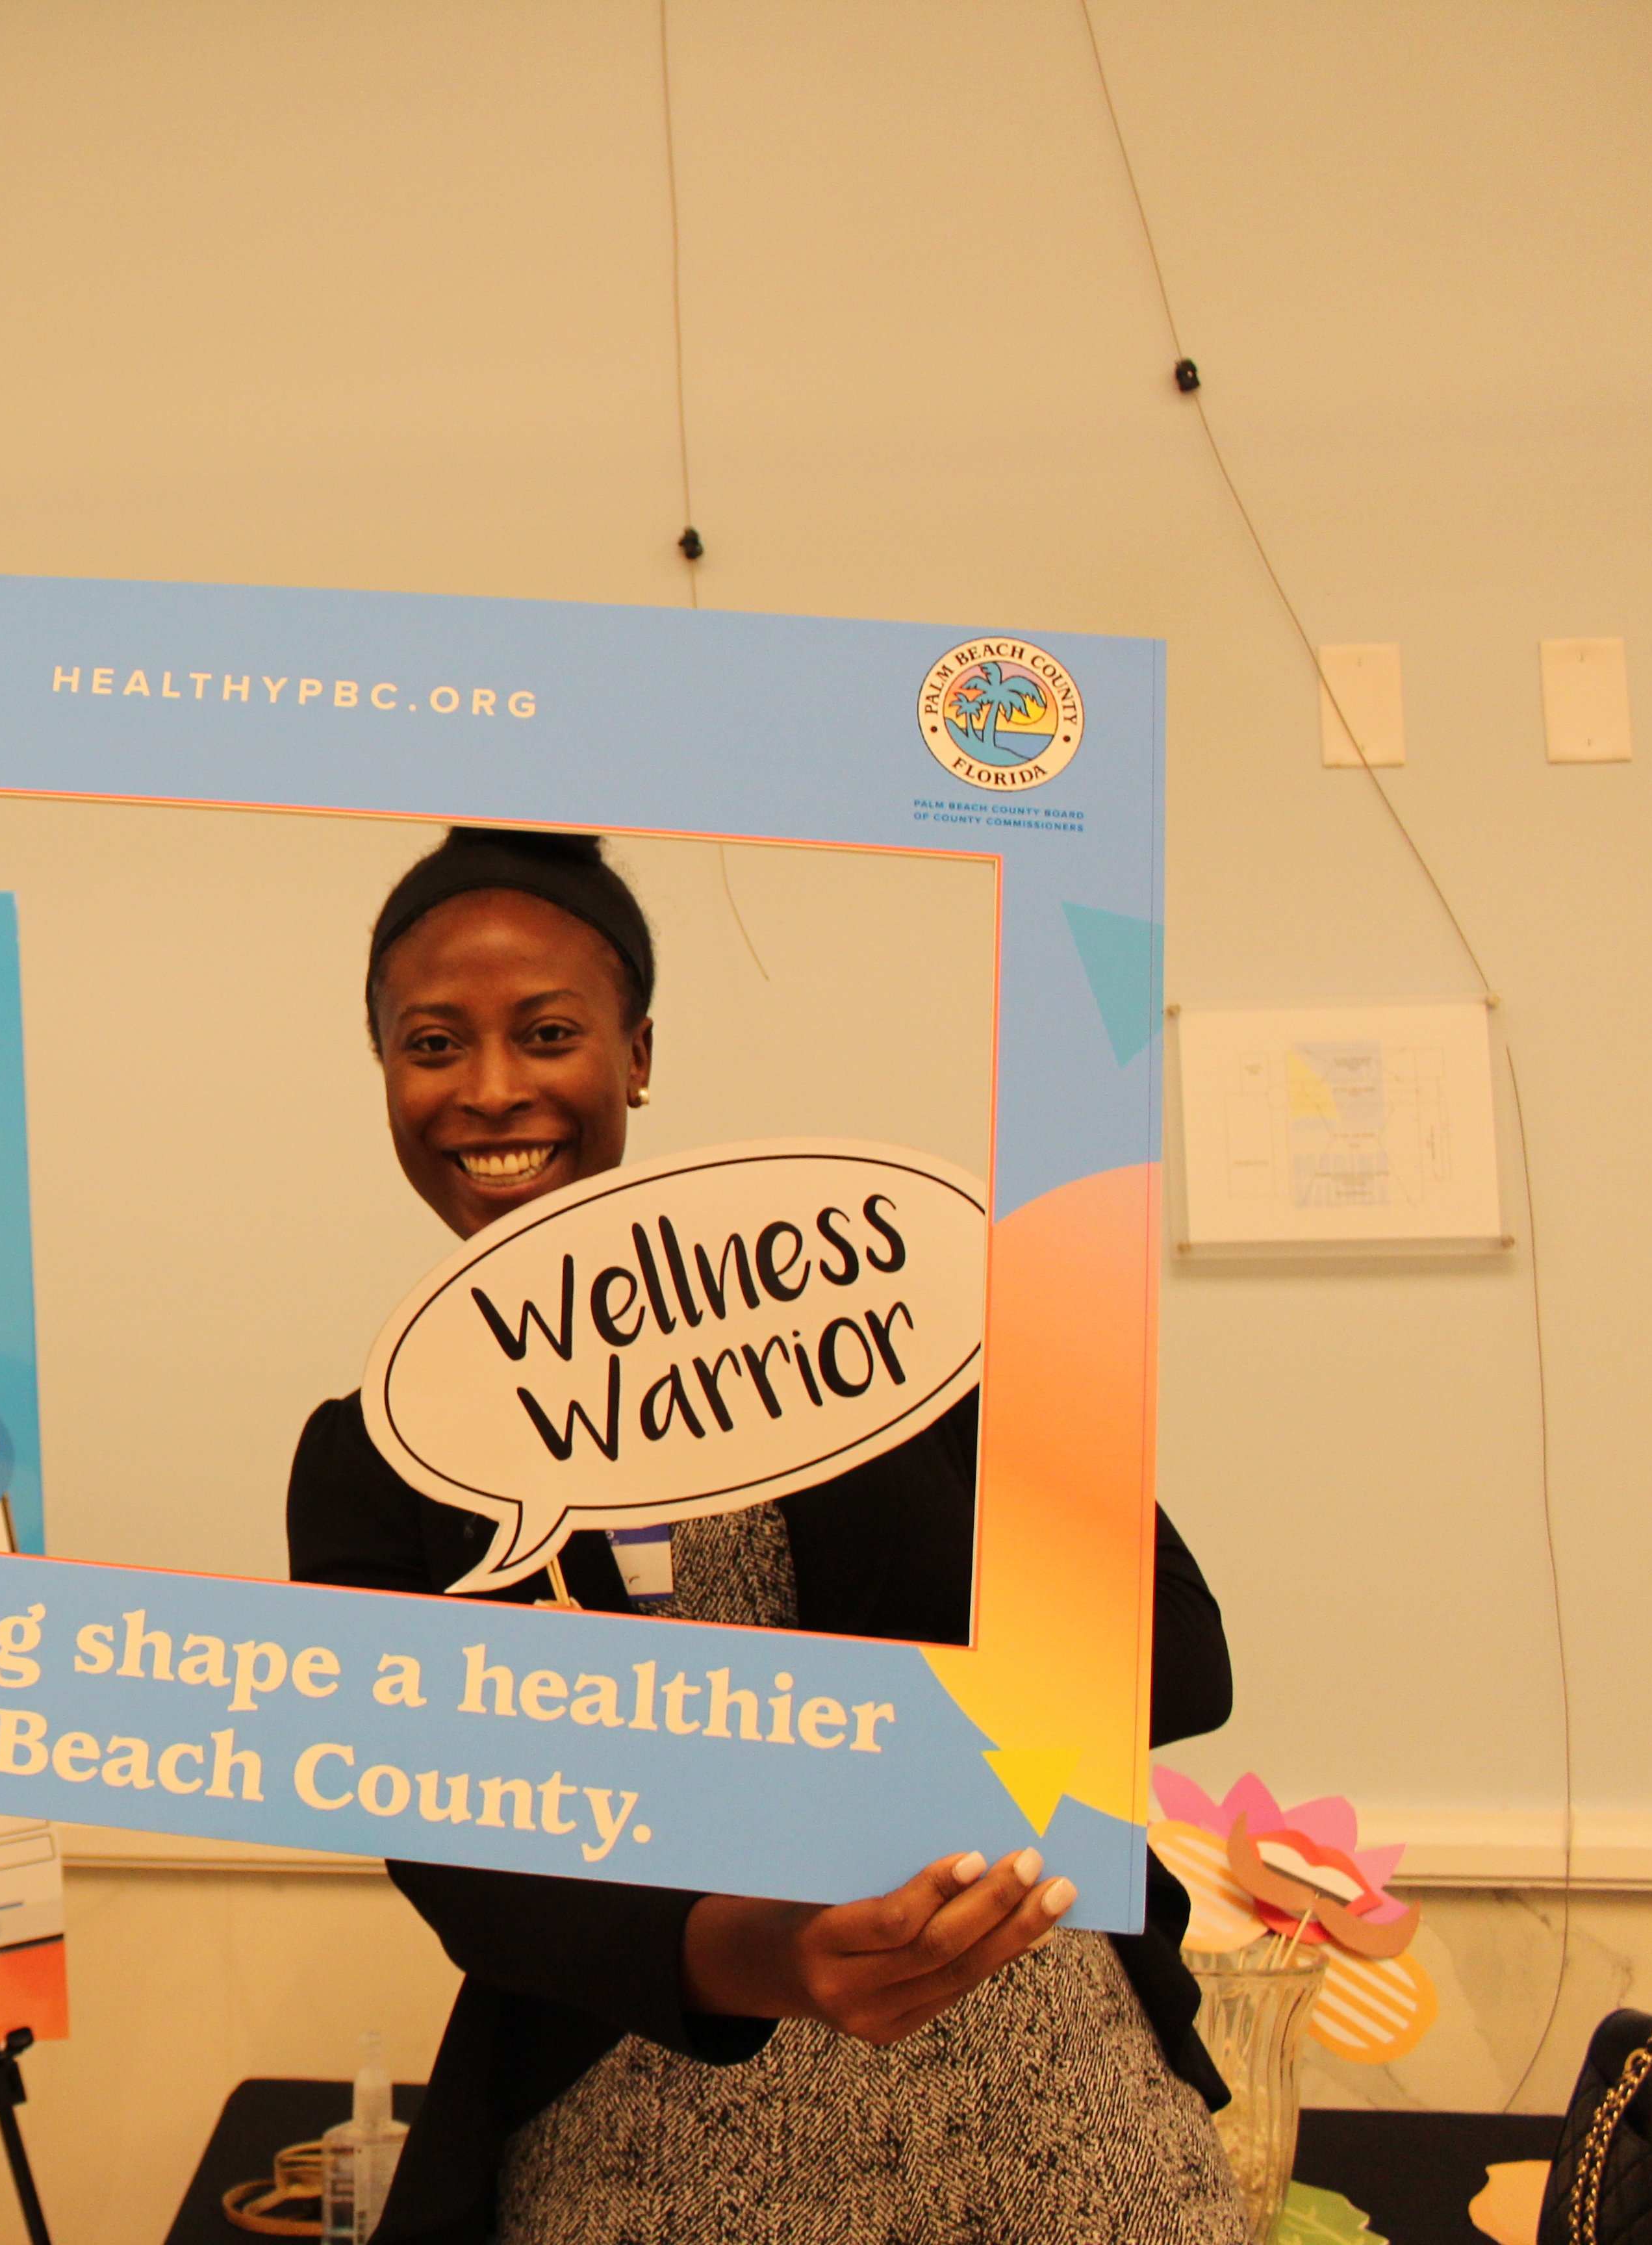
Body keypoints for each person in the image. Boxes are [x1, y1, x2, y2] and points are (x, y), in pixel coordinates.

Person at [285, 826, 1243, 2245]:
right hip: (641, 2137)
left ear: (638, 1054)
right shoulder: (377, 1466)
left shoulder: (900, 1330)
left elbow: (1175, 1657)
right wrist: (779, 1954)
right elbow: (470, 1871)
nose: (491, 1089)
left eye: (548, 1032)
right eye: (433, 1044)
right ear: (382, 1072)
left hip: (1048, 2106)